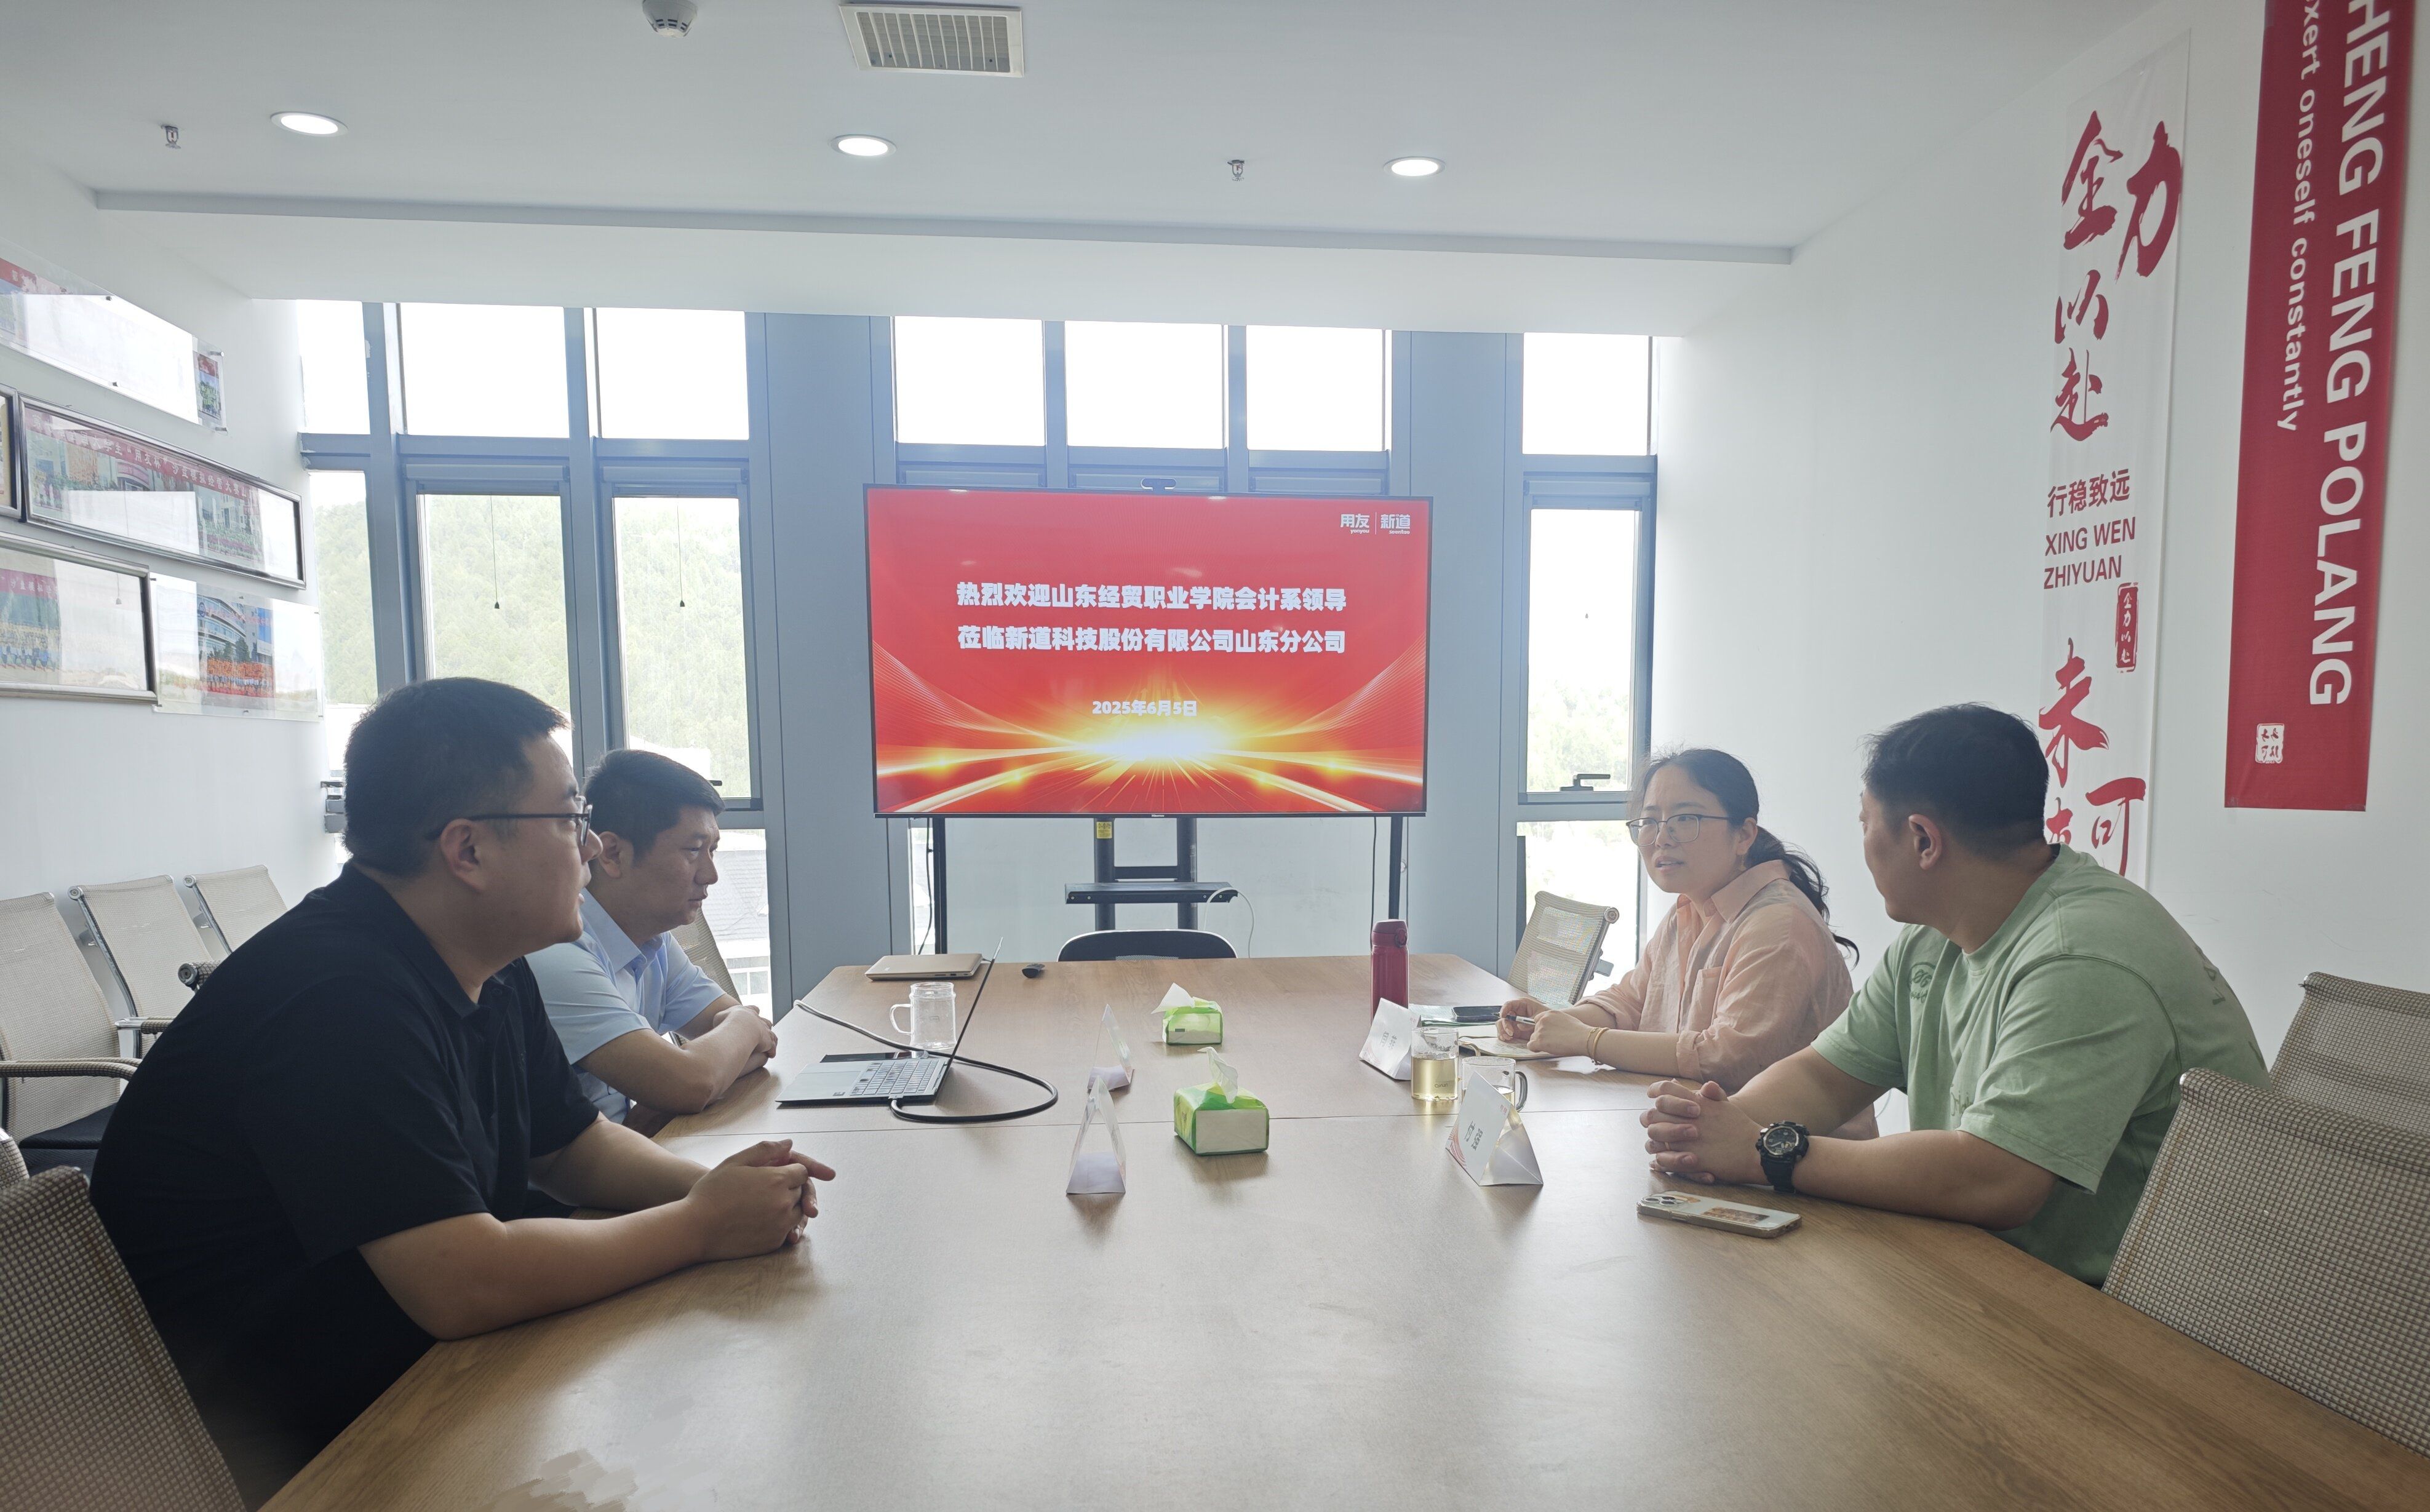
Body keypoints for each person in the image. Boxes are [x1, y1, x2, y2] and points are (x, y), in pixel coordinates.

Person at [91, 678, 835, 1506]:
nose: (592, 846)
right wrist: (698, 1225)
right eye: (571, 818)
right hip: (280, 1439)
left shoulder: (487, 961)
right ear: (468, 849)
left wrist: (728, 1189)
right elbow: (462, 1282)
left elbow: (573, 1148)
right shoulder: (337, 995)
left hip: (411, 1370)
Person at [1641, 704, 2266, 1286]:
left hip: (2148, 1312)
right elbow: (1826, 1077)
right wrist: (1711, 1131)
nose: (1863, 846)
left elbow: (1995, 1178)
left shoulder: (2081, 957)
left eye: (1865, 824)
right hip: (1991, 1267)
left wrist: (1764, 1154)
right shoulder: (1933, 938)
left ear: (1922, 839)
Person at [1499, 749, 1876, 1137]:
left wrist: (1588, 1040)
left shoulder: (1779, 924)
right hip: (1692, 1134)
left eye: (1685, 819)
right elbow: (1631, 1001)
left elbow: (1726, 1057)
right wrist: (1554, 1022)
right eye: (1649, 821)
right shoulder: (1688, 909)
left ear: (1744, 835)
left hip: (1786, 1159)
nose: (1662, 837)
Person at [528, 749, 777, 1137]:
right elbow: (693, 1082)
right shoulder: (557, 951)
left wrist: (687, 1080)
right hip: (579, 1174)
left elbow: (760, 1043)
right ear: (612, 854)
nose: (711, 875)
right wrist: (733, 1034)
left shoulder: (654, 943)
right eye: (693, 850)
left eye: (712, 851)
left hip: (626, 1155)